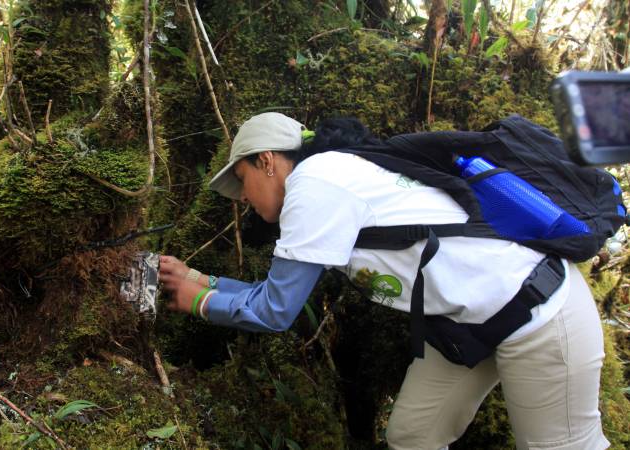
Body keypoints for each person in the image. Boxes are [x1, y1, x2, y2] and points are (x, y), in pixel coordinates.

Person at [159, 112, 609, 450]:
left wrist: (197, 300)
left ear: (267, 161)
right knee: (414, 436)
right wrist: (199, 278)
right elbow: (274, 292)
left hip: (539, 315)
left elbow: (273, 312)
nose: (242, 200)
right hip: (470, 329)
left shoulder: (315, 185)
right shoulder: (331, 179)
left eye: (242, 182)